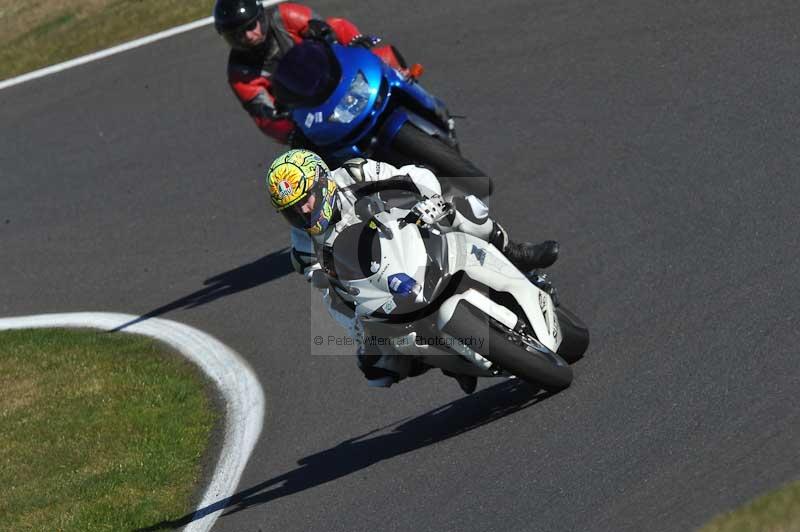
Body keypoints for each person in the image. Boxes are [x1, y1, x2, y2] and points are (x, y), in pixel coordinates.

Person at [266, 149, 559, 393]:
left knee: (461, 210)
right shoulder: (303, 244)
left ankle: (516, 253)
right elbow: (325, 285)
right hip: (379, 283)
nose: (304, 212)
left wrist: (425, 198)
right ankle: (442, 359)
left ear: (323, 183)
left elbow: (410, 177)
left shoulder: (356, 173)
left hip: (411, 233)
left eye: (306, 200)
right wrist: (359, 331)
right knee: (377, 367)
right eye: (292, 210)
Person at [213, 0, 408, 144]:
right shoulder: (240, 72)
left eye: (250, 27)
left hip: (341, 73)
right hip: (310, 112)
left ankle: (414, 90)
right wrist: (291, 133)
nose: (247, 36)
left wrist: (355, 43)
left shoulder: (284, 15)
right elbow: (263, 114)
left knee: (384, 58)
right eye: (237, 34)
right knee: (319, 158)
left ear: (260, 18)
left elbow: (330, 27)